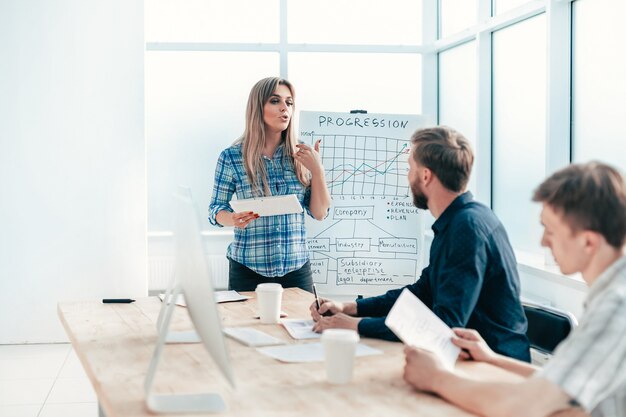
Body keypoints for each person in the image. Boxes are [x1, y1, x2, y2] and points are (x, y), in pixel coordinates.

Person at [403, 162, 626, 417]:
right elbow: (560, 382)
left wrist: (435, 378)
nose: (543, 241)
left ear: (589, 242)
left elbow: (525, 405)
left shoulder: (616, 308)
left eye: (550, 230)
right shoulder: (611, 294)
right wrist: (492, 359)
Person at [310, 126, 530, 361]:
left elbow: (443, 325)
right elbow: (422, 292)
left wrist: (356, 326)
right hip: (469, 358)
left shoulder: (466, 229)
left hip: (493, 368)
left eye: (409, 168)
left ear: (425, 176)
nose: (407, 176)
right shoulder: (461, 219)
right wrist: (350, 308)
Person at [208, 77, 331, 292]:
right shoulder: (232, 157)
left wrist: (317, 171)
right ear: (258, 107)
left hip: (297, 270)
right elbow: (215, 210)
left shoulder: (303, 154)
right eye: (275, 101)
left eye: (289, 103)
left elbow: (319, 213)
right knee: (245, 326)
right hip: (247, 270)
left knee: (302, 326)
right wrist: (232, 218)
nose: (285, 108)